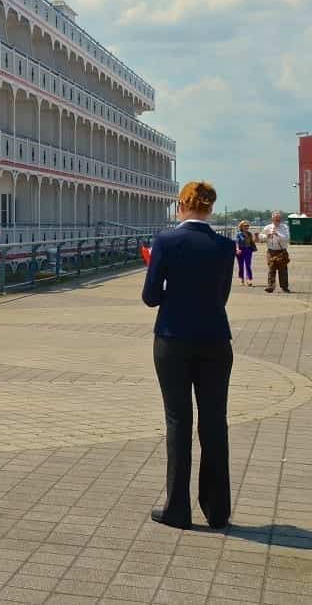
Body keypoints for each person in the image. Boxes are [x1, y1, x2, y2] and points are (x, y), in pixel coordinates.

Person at [141, 180, 235, 530]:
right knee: (214, 422)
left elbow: (151, 297)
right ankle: (217, 509)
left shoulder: (166, 241)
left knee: (178, 420)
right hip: (215, 339)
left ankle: (177, 509)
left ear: (181, 205)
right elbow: (221, 296)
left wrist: (169, 287)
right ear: (210, 208)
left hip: (172, 338)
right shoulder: (224, 246)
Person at [258, 211, 291, 294]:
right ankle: (270, 286)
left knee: (282, 269)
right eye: (276, 218)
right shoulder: (267, 227)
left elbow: (287, 238)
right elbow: (261, 237)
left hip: (281, 251)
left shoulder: (284, 227)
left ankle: (284, 287)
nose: (277, 219)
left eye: (279, 218)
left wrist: (278, 234)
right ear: (272, 219)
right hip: (271, 251)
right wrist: (267, 236)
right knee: (271, 268)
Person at [234, 220, 256, 286]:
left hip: (248, 250)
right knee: (241, 265)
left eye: (247, 226)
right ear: (241, 226)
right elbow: (237, 242)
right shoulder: (238, 234)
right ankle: (241, 279)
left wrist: (256, 238)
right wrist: (237, 249)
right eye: (245, 226)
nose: (247, 227)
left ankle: (249, 279)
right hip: (240, 250)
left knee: (248, 265)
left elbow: (252, 242)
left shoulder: (249, 234)